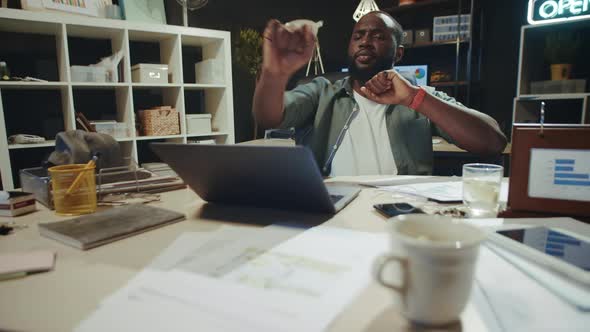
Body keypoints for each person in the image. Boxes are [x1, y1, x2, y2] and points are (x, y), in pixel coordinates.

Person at [252, 11, 507, 176]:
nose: (365, 41)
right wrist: (274, 74)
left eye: (377, 36)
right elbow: (269, 117)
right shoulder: (322, 91)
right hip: (331, 207)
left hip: (401, 211)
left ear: (398, 53)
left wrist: (415, 99)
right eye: (358, 36)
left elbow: (493, 143)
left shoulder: (419, 95)